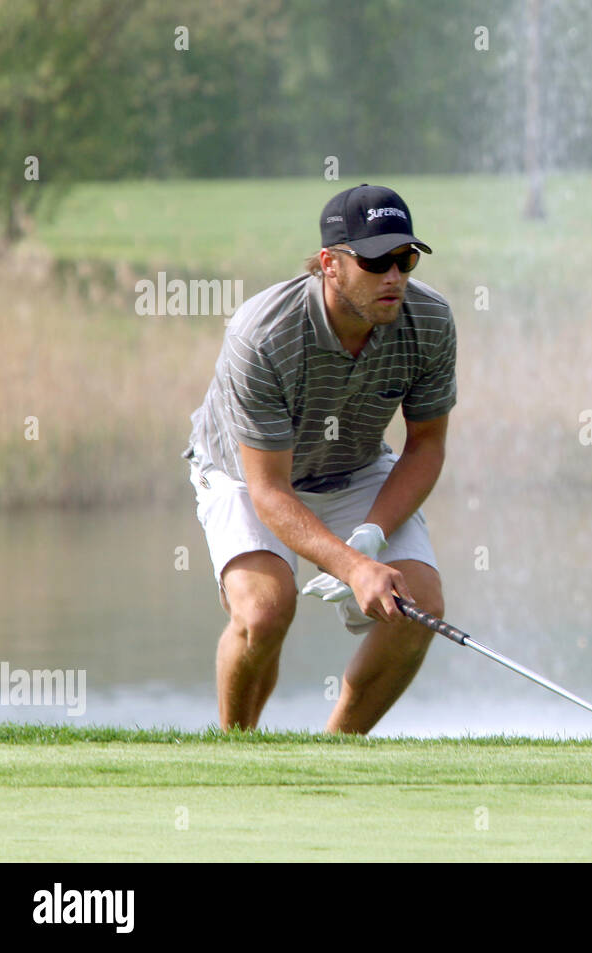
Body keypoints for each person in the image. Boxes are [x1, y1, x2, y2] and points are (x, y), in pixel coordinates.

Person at [183, 183, 456, 734]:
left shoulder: (428, 321)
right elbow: (269, 489)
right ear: (330, 264)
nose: (395, 276)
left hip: (353, 466)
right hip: (242, 471)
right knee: (264, 611)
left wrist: (374, 533)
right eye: (377, 260)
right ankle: (236, 754)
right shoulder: (262, 333)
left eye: (405, 258)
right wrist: (354, 567)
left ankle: (337, 750)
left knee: (418, 604)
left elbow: (425, 445)